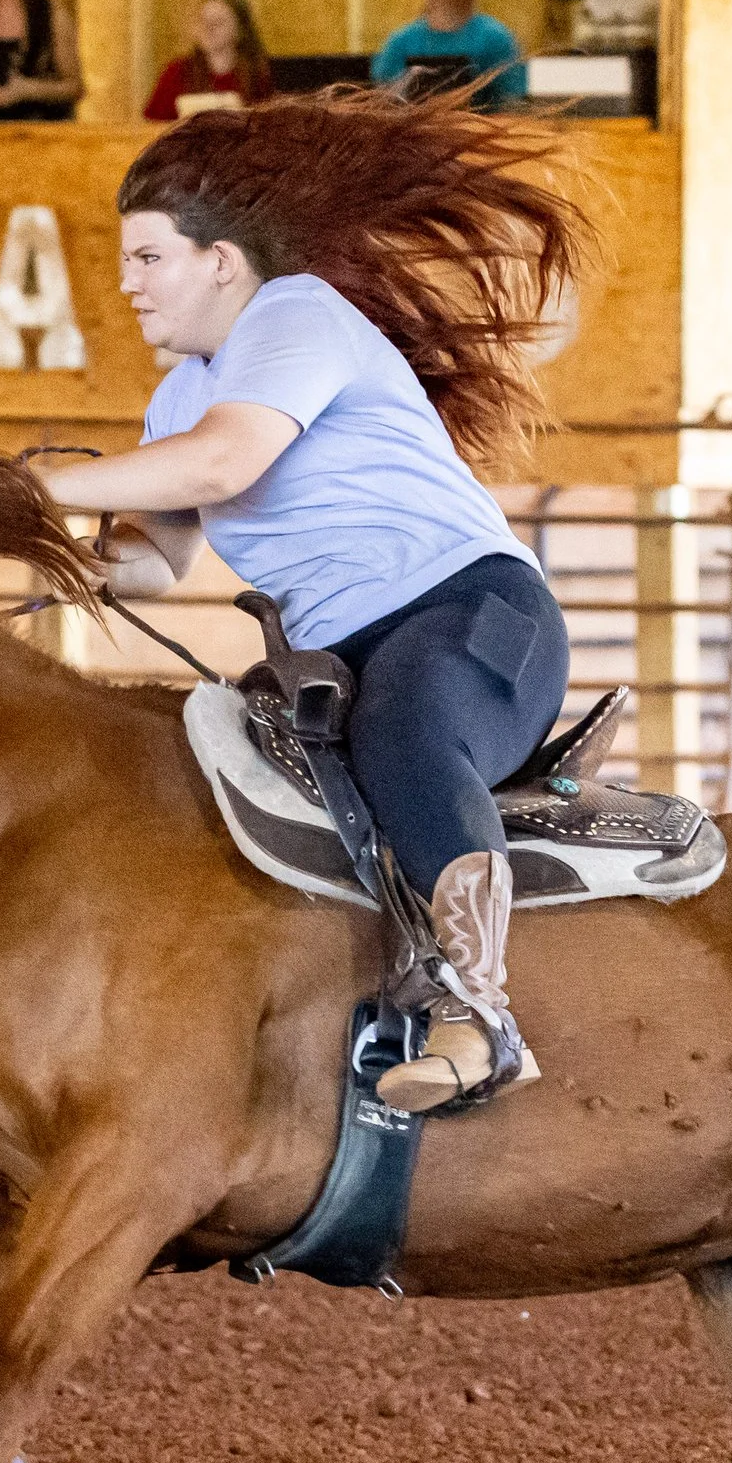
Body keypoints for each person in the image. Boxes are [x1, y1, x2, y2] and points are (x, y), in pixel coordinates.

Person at [36, 92, 587, 1113]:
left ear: (220, 262)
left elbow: (226, 459)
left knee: (408, 727)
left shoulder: (295, 313)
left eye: (147, 257)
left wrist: (31, 488)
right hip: (346, 654)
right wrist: (46, 555)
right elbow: (159, 564)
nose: (126, 284)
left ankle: (484, 1018)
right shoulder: (177, 396)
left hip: (474, 615)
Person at [370, 0, 525, 109]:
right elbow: (380, 106)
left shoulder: (496, 40)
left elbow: (513, 107)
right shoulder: (400, 43)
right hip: (412, 133)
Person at [143, 0, 275, 122]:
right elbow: (153, 126)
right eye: (203, 20)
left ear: (240, 29)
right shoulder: (177, 71)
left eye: (218, 22)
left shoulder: (257, 73)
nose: (208, 28)